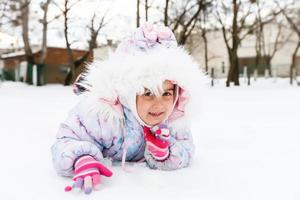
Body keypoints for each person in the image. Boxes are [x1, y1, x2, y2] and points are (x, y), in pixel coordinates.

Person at [51, 23, 205, 194]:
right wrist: (82, 159)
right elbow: (66, 139)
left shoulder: (174, 119)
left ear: (177, 93)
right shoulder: (102, 114)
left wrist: (166, 153)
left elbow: (187, 150)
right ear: (128, 93)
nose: (159, 105)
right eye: (148, 93)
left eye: (167, 94)